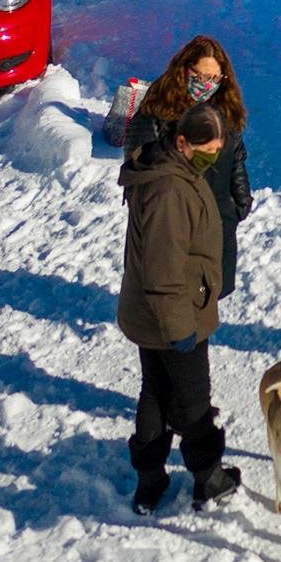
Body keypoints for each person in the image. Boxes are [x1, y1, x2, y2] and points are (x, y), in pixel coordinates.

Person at [117, 103, 242, 515]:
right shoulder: (170, 189)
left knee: (155, 393)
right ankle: (208, 478)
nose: (212, 156)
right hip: (173, 312)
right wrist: (180, 326)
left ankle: (149, 482)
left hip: (153, 311)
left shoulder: (176, 169)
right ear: (183, 141)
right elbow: (163, 268)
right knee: (192, 402)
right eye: (207, 148)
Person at [125, 36, 253, 300]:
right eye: (199, 75)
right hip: (170, 223)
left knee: (208, 294)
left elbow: (236, 158)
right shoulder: (157, 111)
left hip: (217, 219)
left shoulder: (225, 110)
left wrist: (239, 202)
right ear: (183, 69)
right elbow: (139, 169)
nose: (205, 84)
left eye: (214, 79)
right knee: (173, 296)